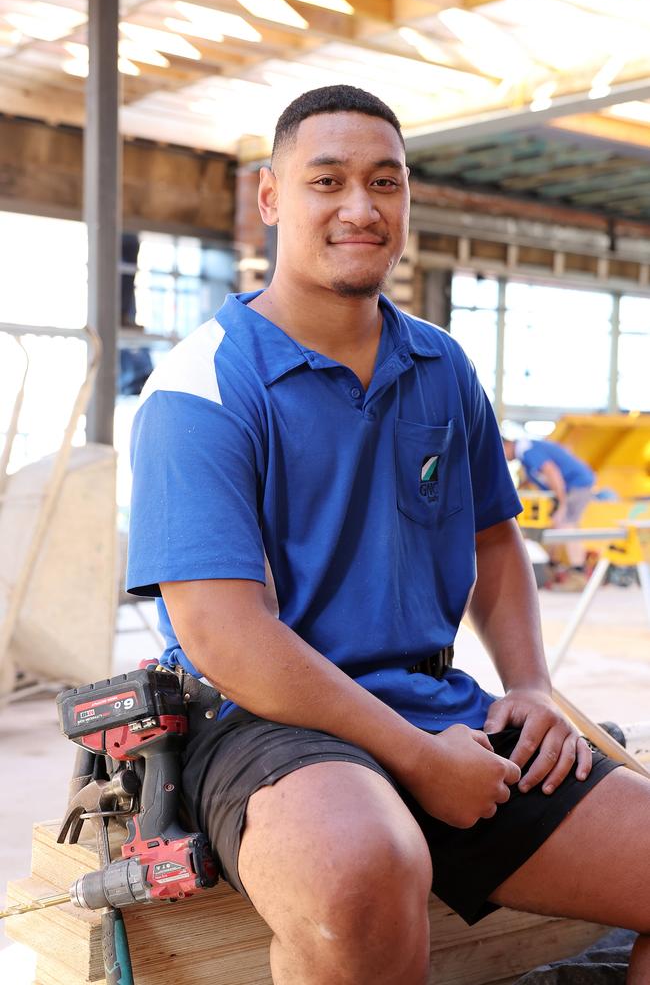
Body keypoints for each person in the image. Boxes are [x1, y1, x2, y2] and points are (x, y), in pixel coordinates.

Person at [127, 86, 650, 985]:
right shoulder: (203, 387)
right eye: (326, 180)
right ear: (270, 198)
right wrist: (415, 760)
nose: (360, 207)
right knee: (361, 871)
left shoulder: (442, 367)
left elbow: (493, 541)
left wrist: (530, 685)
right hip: (266, 726)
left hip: (436, 704)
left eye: (386, 182)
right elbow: (225, 634)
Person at [502, 434, 595, 589]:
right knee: (558, 526)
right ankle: (553, 569)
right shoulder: (525, 453)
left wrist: (561, 503)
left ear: (507, 444)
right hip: (570, 487)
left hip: (575, 486)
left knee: (567, 525)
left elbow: (551, 472)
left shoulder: (527, 450)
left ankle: (578, 576)